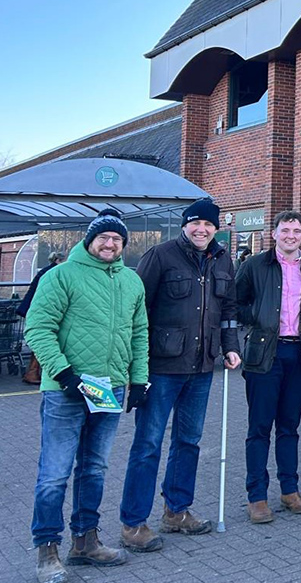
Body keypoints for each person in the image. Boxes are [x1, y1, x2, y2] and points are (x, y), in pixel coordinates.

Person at [25, 211, 148, 583]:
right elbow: (38, 326)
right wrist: (63, 374)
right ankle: (48, 549)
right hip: (66, 390)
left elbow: (139, 333)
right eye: (103, 238)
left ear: (124, 244)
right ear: (89, 240)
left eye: (117, 239)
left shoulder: (132, 281)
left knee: (94, 469)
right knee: (54, 474)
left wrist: (139, 381)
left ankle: (86, 541)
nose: (110, 244)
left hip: (108, 389)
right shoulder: (60, 275)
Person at [119, 198, 241, 553]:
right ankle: (133, 522)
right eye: (195, 223)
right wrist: (135, 366)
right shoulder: (160, 255)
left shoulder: (222, 259)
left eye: (208, 224)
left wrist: (231, 345)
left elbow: (228, 308)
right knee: (148, 445)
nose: (201, 229)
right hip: (162, 367)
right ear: (185, 225)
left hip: (203, 367)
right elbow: (137, 311)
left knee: (188, 442)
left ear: (216, 228)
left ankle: (176, 511)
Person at [234, 211, 301, 523]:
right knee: (259, 428)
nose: (291, 236)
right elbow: (235, 303)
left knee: (289, 427)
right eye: (285, 230)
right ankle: (257, 496)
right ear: (274, 234)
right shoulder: (254, 265)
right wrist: (258, 317)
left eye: (297, 231)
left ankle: (290, 491)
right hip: (264, 355)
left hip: (300, 355)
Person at [17, 251, 64, 385]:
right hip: (35, 309)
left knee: (41, 340)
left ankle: (33, 372)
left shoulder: (46, 270)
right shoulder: (55, 271)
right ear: (59, 260)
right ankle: (32, 372)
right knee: (43, 339)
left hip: (30, 307)